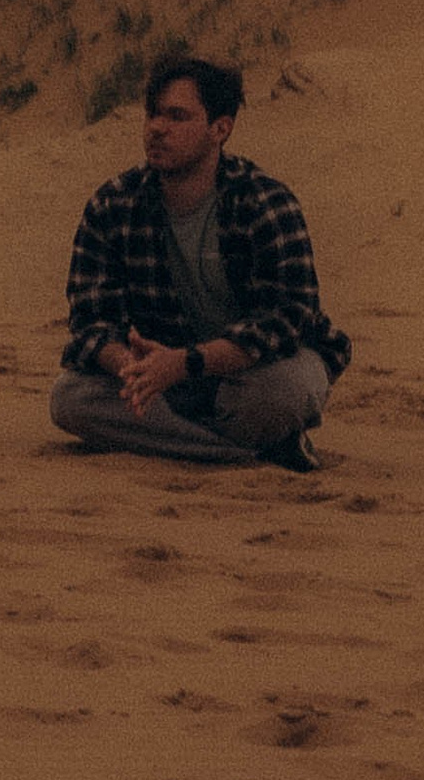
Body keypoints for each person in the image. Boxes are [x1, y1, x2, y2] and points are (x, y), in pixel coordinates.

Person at [50, 54, 350, 470]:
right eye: (153, 115)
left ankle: (191, 439)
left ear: (219, 128)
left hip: (254, 371)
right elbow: (90, 319)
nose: (157, 128)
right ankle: (252, 453)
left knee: (280, 395)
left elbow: (289, 319)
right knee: (71, 399)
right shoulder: (114, 203)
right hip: (167, 377)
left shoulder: (264, 202)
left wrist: (188, 362)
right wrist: (131, 365)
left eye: (177, 116)